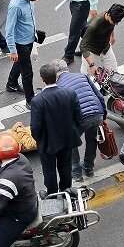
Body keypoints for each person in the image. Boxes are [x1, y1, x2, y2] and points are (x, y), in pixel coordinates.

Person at [30, 63, 82, 195]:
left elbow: (35, 127)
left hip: (48, 143)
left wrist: (40, 140)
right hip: (67, 139)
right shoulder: (69, 93)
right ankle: (66, 191)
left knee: (50, 171)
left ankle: (52, 194)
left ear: (42, 79)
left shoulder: (37, 101)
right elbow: (79, 118)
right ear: (56, 77)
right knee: (65, 168)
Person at [51, 59, 106, 182]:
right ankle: (89, 167)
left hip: (81, 118)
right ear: (67, 69)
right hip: (97, 114)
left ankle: (76, 173)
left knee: (71, 143)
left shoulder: (58, 86)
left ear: (55, 75)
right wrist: (104, 116)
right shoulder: (82, 76)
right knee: (92, 140)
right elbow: (99, 96)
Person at [5, 0, 44, 109]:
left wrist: (35, 34)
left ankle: (11, 83)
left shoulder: (29, 0)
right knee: (27, 73)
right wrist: (13, 50)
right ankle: (30, 99)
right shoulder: (15, 5)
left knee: (20, 62)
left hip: (29, 39)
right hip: (20, 43)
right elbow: (9, 29)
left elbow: (30, 19)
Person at [79, 4, 124, 75]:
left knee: (114, 74)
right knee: (88, 76)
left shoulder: (112, 17)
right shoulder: (93, 26)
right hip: (92, 51)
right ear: (108, 15)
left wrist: (112, 36)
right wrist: (92, 65)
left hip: (105, 48)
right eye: (114, 21)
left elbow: (111, 25)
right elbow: (83, 46)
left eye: (117, 22)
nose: (115, 23)